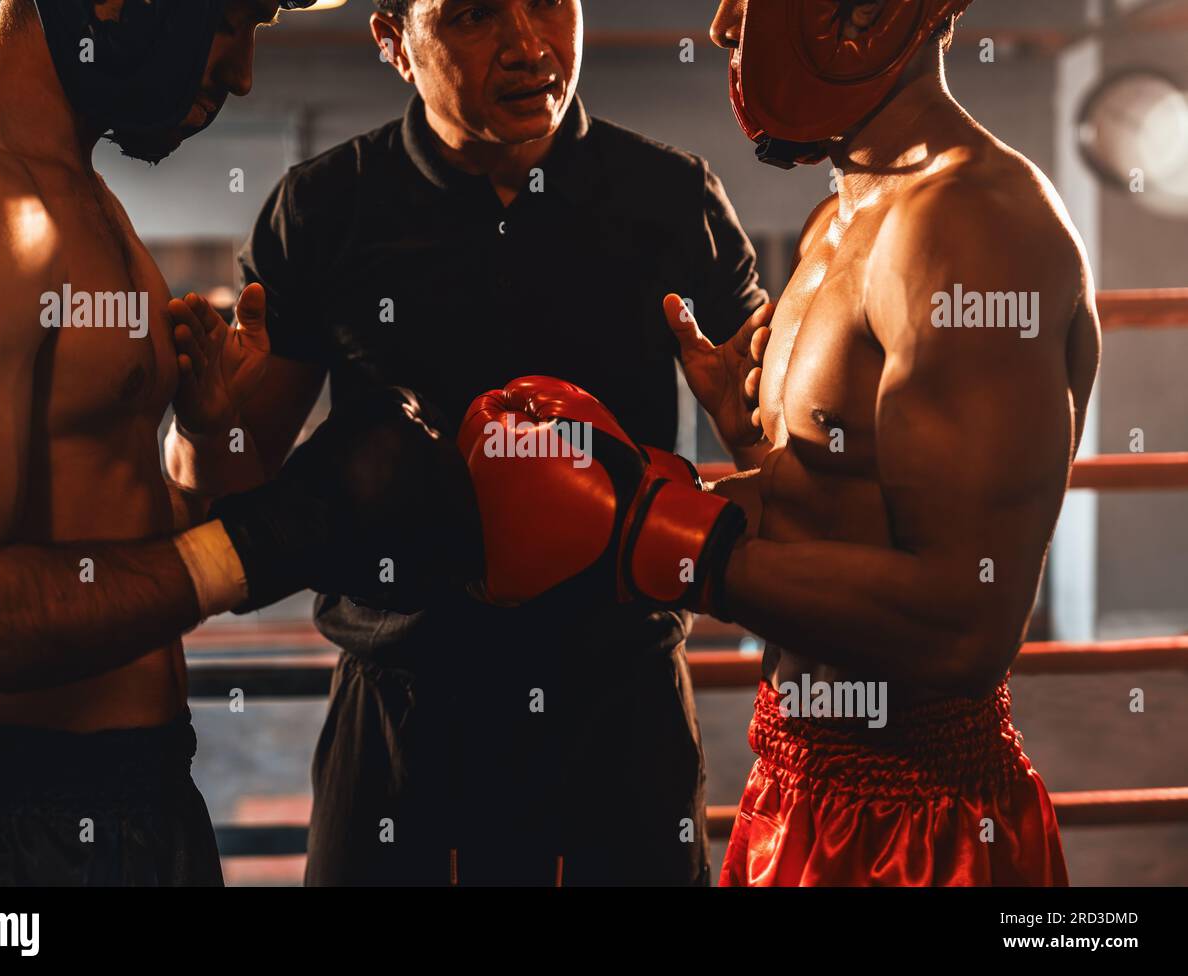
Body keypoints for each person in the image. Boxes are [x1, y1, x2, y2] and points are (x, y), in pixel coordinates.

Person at [459, 0, 1097, 886]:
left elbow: (963, 623)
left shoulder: (973, 225)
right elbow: (849, 507)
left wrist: (665, 537)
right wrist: (751, 444)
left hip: (921, 819)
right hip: (798, 776)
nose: (724, 26)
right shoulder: (839, 221)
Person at [171, 0, 769, 885]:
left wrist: (752, 425)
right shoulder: (329, 207)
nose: (529, 46)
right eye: (476, 15)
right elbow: (225, 482)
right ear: (393, 42)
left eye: (549, 4)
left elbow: (779, 446)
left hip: (620, 710)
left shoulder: (669, 197)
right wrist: (200, 420)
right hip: (401, 715)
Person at [0, 0, 479, 886]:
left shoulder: (76, 190)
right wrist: (264, 543)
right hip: (8, 828)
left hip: (138, 797)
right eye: (232, 21)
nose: (241, 73)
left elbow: (99, 540)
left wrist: (202, 449)